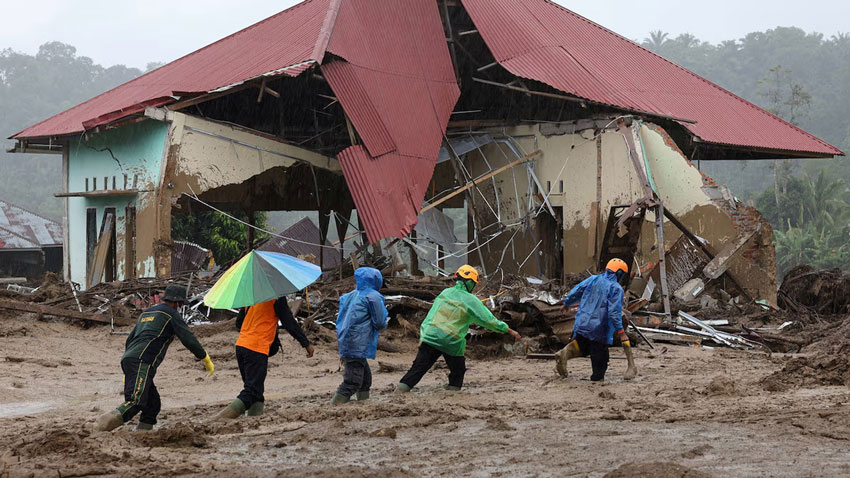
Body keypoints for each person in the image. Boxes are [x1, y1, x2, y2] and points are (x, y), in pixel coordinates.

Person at [94, 285, 214, 431]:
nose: (181, 307)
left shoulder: (147, 313)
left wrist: (128, 370)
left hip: (129, 358)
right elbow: (188, 337)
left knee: (152, 404)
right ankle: (100, 426)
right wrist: (204, 357)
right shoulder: (171, 314)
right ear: (177, 302)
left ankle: (143, 434)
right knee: (136, 401)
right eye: (181, 303)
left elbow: (131, 338)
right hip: (142, 361)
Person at [396, 265, 521, 393]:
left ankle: (401, 390)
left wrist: (423, 336)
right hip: (451, 340)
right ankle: (453, 392)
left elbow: (431, 315)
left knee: (418, 368)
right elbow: (489, 321)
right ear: (470, 283)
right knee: (458, 370)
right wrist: (510, 330)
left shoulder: (446, 292)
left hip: (431, 335)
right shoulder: (471, 300)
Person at [216, 296, 314, 419]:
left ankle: (254, 420)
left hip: (241, 346)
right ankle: (218, 419)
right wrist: (306, 343)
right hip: (256, 348)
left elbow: (239, 322)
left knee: (256, 390)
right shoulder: (276, 297)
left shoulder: (252, 296)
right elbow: (289, 322)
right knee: (251, 391)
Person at [554, 258, 637, 382]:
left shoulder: (593, 279)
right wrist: (621, 332)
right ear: (619, 273)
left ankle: (565, 353)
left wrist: (567, 303)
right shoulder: (616, 288)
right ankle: (596, 382)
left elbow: (577, 290)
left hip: (581, 323)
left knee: (583, 347)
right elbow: (614, 312)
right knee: (600, 360)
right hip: (598, 328)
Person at [331, 267, 388, 405]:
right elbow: (380, 322)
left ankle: (363, 404)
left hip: (345, 339)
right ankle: (335, 404)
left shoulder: (348, 296)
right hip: (359, 341)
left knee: (365, 379)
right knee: (353, 380)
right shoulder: (373, 296)